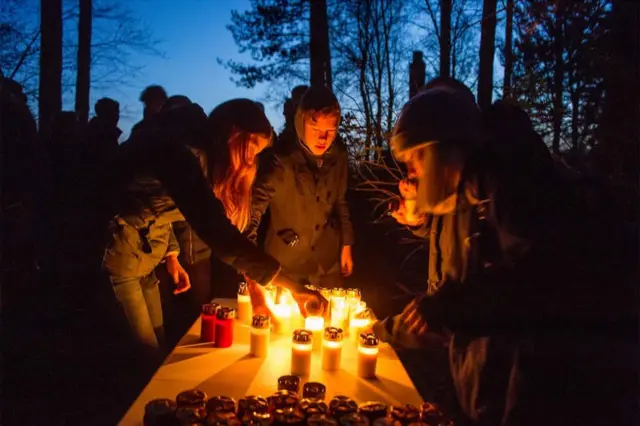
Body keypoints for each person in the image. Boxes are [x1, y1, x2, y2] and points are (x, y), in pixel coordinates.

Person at [376, 87, 637, 425]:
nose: (410, 173)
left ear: (441, 150)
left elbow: (539, 289)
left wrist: (448, 305)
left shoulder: (523, 192)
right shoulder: (477, 194)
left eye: (415, 158)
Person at [102, 98, 326, 358]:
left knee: (158, 348)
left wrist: (256, 289)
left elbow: (231, 231)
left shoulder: (205, 158)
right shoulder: (180, 153)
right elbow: (218, 233)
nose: (252, 160)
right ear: (234, 135)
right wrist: (293, 287)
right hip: (118, 256)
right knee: (144, 358)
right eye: (252, 148)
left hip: (147, 255)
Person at [246, 86, 354, 289]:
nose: (323, 138)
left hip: (326, 264)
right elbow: (255, 207)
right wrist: (250, 258)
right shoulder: (281, 159)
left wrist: (346, 244)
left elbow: (341, 200)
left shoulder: (338, 155)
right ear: (300, 123)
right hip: (286, 265)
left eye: (330, 131)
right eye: (316, 130)